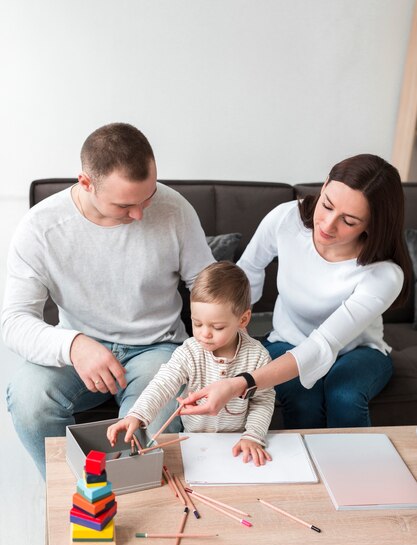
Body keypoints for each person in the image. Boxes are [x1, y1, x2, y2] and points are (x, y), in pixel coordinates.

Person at [2, 122, 215, 478]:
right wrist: (74, 346)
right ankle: (75, 493)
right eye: (125, 204)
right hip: (79, 348)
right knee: (28, 400)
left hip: (156, 349)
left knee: (152, 424)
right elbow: (14, 321)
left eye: (147, 197)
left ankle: (131, 499)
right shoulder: (40, 228)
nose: (140, 214)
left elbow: (206, 285)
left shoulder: (174, 208)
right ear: (86, 183)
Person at [180, 154, 412, 430]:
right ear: (324, 185)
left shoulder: (385, 274)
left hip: (357, 351)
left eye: (348, 221)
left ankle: (353, 468)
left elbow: (323, 344)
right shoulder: (286, 219)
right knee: (303, 398)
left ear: (372, 224)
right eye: (327, 205)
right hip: (285, 340)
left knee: (344, 394)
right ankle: (302, 470)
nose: (326, 225)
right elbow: (248, 271)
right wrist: (234, 332)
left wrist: (240, 383)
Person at [107, 261, 276, 466]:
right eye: (197, 323)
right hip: (194, 443)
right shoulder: (189, 351)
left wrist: (252, 436)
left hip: (237, 445)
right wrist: (137, 415)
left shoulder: (257, 356)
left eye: (217, 327)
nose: (204, 333)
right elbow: (163, 383)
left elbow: (263, 400)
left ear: (243, 320)